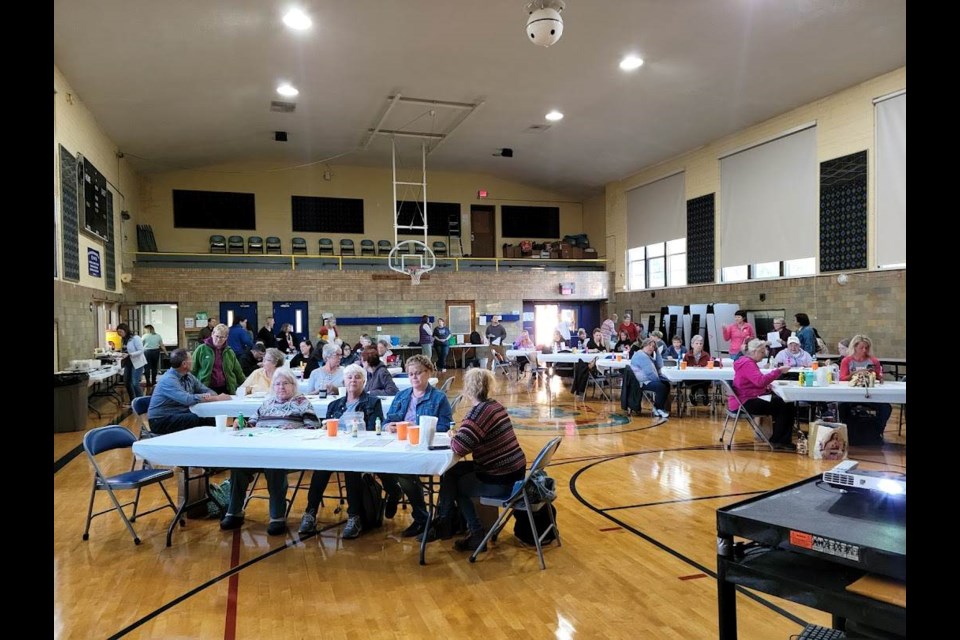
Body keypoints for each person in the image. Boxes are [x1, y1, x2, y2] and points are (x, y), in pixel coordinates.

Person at [428, 368, 527, 550]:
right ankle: (446, 520)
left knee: (455, 484)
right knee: (450, 472)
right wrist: (459, 436)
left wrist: (452, 436)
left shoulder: (478, 413)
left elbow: (459, 447)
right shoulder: (494, 406)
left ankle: (473, 531)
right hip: (515, 472)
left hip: (501, 479)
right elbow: (470, 438)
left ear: (468, 389)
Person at [220, 368, 320, 537]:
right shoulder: (267, 403)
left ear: (293, 385)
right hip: (260, 450)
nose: (281, 387)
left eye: (285, 383)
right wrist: (240, 422)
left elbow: (314, 427)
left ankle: (277, 517)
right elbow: (251, 422)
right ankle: (234, 512)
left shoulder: (302, 402)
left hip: (287, 453)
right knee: (238, 466)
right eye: (277, 384)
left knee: (274, 466)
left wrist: (296, 431)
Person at [298, 364, 385, 538]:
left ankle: (354, 516)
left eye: (357, 377)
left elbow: (374, 430)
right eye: (350, 377)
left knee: (351, 468)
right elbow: (326, 430)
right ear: (344, 381)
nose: (353, 380)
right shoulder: (334, 405)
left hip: (358, 451)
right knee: (321, 468)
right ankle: (310, 513)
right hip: (335, 449)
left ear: (364, 381)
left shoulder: (373, 403)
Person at [382, 355, 453, 537]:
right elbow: (387, 419)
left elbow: (446, 425)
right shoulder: (401, 395)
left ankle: (421, 518)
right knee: (379, 462)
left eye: (418, 373)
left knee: (404, 470)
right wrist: (387, 426)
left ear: (428, 373)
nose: (414, 377)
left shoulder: (438, 398)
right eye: (410, 374)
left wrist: (421, 428)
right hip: (399, 443)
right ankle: (394, 492)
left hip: (423, 446)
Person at [147, 348, 230, 434]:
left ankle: (212, 442)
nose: (193, 362)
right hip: (160, 420)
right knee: (192, 419)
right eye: (191, 360)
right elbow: (187, 400)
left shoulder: (188, 375)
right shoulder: (168, 379)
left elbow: (204, 389)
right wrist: (215, 398)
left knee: (210, 416)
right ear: (184, 364)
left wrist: (212, 395)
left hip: (178, 414)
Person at [730, 339, 795, 449]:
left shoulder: (745, 361)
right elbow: (760, 381)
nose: (764, 354)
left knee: (781, 402)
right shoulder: (748, 364)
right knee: (785, 403)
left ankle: (779, 438)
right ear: (754, 352)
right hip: (745, 402)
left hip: (743, 399)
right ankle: (780, 440)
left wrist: (765, 386)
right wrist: (778, 371)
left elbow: (752, 382)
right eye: (762, 352)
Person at [838, 334, 892, 444]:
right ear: (854, 347)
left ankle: (878, 431)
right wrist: (855, 373)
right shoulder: (847, 361)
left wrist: (879, 377)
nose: (864, 350)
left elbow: (878, 377)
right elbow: (842, 379)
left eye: (867, 348)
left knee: (886, 408)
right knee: (842, 406)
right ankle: (848, 431)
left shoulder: (874, 361)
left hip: (871, 395)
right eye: (861, 348)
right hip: (851, 396)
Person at [192, 323, 245, 394]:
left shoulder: (229, 352)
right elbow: (193, 369)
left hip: (226, 388)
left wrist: (245, 385)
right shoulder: (201, 349)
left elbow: (238, 371)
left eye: (222, 337)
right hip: (206, 388)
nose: (218, 339)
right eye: (217, 336)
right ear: (212, 334)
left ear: (226, 337)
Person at [629, 337, 672, 419]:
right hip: (641, 382)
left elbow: (660, 365)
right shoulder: (641, 355)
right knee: (661, 386)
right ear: (644, 345)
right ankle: (658, 408)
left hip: (647, 380)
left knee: (666, 384)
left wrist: (658, 352)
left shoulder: (647, 355)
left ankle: (657, 408)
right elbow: (650, 373)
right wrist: (659, 380)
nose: (651, 348)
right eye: (649, 345)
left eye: (653, 347)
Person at [116, 322, 146, 403]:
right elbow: (124, 350)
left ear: (125, 330)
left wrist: (130, 354)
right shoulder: (123, 339)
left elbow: (141, 350)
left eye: (121, 332)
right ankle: (133, 400)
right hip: (128, 362)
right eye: (118, 332)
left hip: (137, 362)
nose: (119, 334)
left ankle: (141, 401)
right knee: (126, 382)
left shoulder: (135, 338)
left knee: (135, 382)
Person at [683, 335, 715, 406]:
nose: (699, 345)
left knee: (705, 380)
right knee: (696, 381)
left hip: (703, 377)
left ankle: (694, 395)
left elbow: (709, 366)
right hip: (690, 377)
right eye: (696, 343)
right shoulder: (687, 355)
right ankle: (702, 396)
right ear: (692, 345)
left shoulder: (706, 355)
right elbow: (684, 367)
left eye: (701, 344)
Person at [141, 324, 167, 388]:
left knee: (146, 367)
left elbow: (141, 345)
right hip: (156, 351)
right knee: (154, 367)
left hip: (146, 352)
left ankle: (148, 382)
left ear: (147, 329)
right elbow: (162, 345)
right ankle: (153, 381)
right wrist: (166, 353)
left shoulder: (144, 336)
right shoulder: (158, 336)